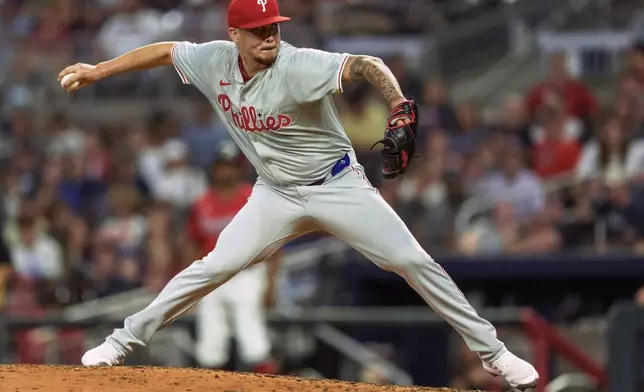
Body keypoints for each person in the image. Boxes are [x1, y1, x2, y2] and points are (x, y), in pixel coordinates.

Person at [59, 0, 539, 389]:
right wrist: (100, 70)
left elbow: (366, 65)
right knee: (215, 267)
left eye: (274, 26)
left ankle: (494, 353)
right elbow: (166, 50)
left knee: (412, 261)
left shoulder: (298, 65)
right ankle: (121, 342)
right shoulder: (212, 61)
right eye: (259, 29)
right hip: (275, 194)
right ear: (235, 35)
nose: (270, 36)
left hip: (337, 184)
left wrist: (399, 105)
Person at [187, 142, 278, 373]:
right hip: (213, 275)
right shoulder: (202, 202)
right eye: (221, 165)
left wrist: (271, 283)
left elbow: (275, 241)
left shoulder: (254, 196)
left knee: (254, 343)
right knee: (210, 346)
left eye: (230, 166)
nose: (225, 171)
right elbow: (193, 244)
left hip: (246, 273)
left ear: (238, 168)